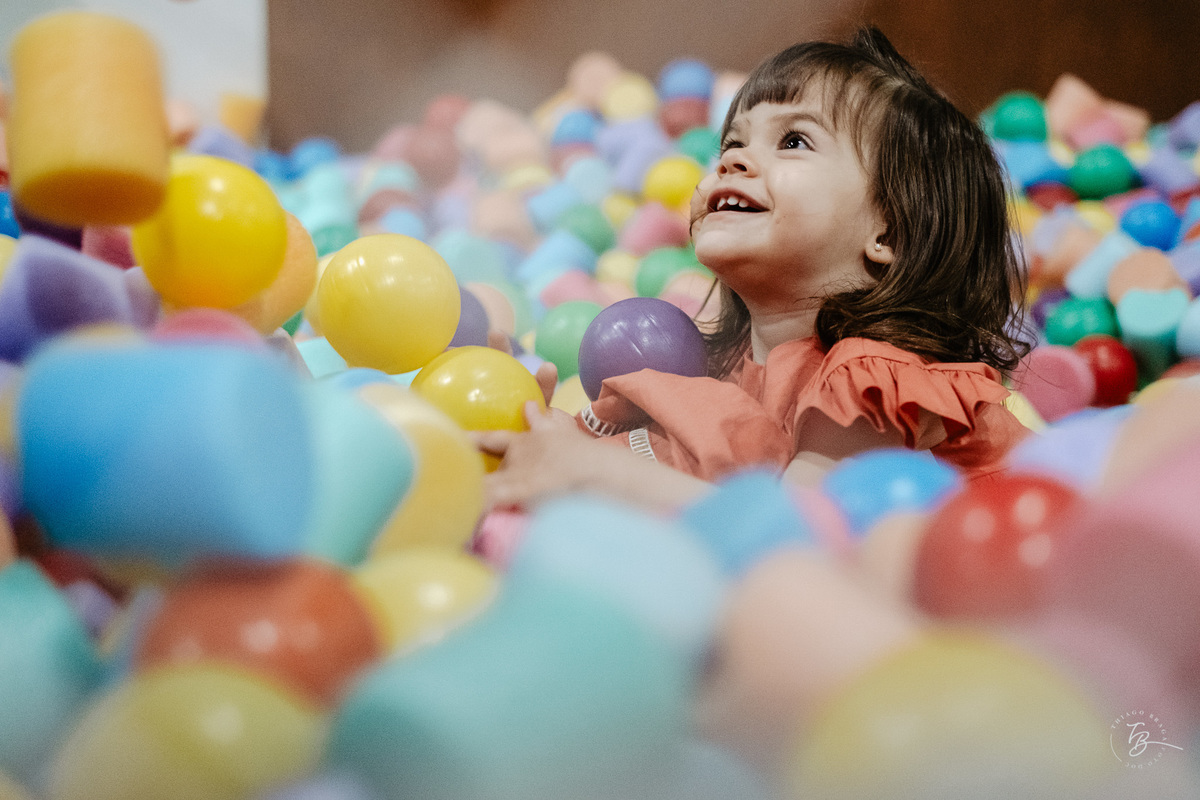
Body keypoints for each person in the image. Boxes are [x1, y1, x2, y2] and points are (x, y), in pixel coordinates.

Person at [477, 26, 1032, 513]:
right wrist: (544, 430)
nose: (732, 159)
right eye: (733, 140)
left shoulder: (871, 380)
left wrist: (596, 473)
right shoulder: (728, 368)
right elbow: (690, 475)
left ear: (887, 233)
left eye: (793, 141)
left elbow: (798, 533)